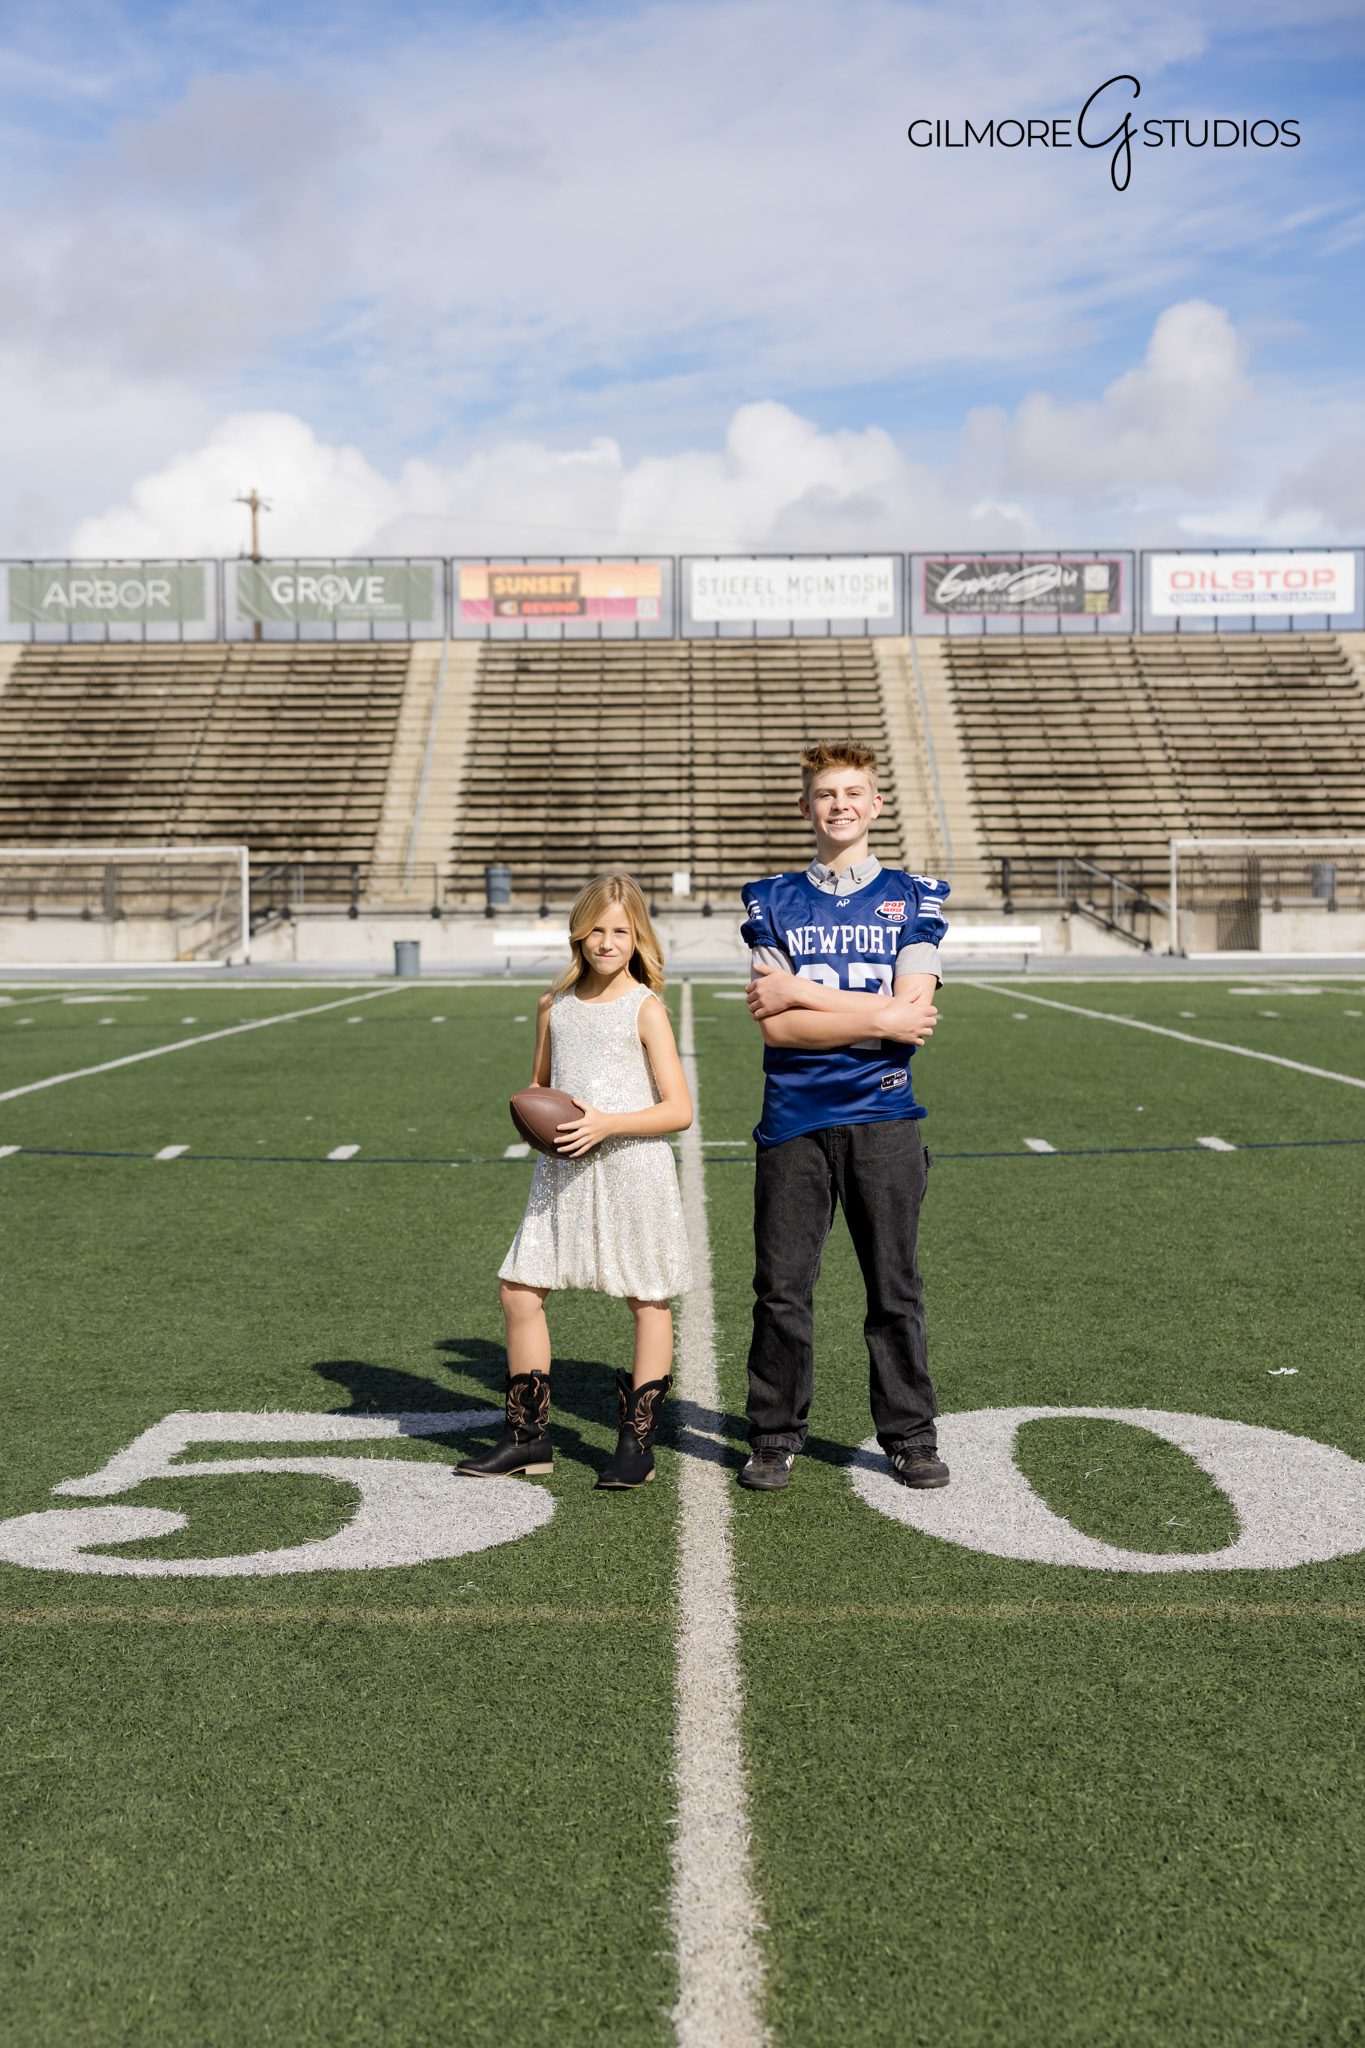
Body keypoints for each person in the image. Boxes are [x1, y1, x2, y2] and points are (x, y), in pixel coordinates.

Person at [738, 739, 950, 1493]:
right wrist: (875, 1012)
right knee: (782, 1289)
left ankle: (909, 1435)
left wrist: (808, 994)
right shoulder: (768, 899)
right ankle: (773, 1433)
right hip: (794, 1120)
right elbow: (777, 1028)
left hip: (884, 1117)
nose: (840, 805)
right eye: (826, 793)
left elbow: (913, 1019)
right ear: (806, 806)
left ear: (875, 804)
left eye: (853, 792)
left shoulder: (913, 895)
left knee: (893, 1288)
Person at [457, 872, 693, 1491]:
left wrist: (607, 1123)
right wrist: (539, 1116)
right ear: (578, 933)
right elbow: (540, 1087)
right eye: (596, 929)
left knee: (646, 1297)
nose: (607, 941)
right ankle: (527, 1438)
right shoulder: (552, 1005)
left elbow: (678, 1110)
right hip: (562, 1171)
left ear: (638, 937)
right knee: (519, 1289)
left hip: (632, 1165)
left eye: (621, 930)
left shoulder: (645, 1007)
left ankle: (635, 1444)